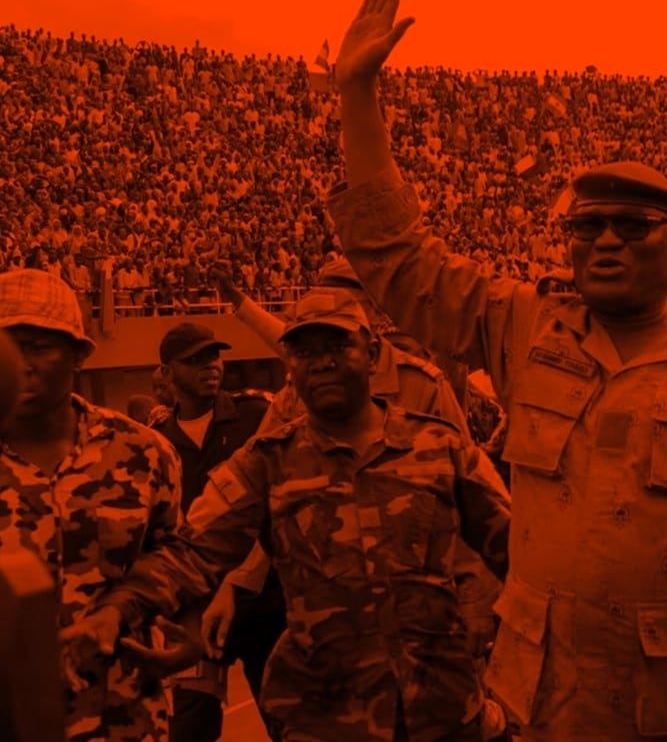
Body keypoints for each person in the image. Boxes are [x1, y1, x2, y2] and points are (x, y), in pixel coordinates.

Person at [326, 0, 667, 740]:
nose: (606, 241)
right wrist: (357, 96)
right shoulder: (526, 327)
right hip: (548, 708)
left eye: (632, 227)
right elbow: (401, 261)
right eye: (586, 226)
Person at [61, 288, 513, 741]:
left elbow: (517, 548)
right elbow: (192, 552)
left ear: (373, 353)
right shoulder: (266, 462)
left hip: (442, 711)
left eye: (338, 346)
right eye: (303, 352)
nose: (321, 363)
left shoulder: (440, 447)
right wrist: (118, 610)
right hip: (326, 717)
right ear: (289, 365)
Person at [211, 257, 505, 668]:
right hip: (330, 627)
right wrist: (236, 582)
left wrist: (474, 601)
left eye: (336, 336)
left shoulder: (421, 385)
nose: (323, 361)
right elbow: (256, 497)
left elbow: (471, 506)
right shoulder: (296, 396)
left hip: (423, 624)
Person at [0, 269, 183, 742]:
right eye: (7, 348)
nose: (20, 365)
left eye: (37, 347)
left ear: (79, 355)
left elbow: (174, 553)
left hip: (123, 715)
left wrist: (122, 611)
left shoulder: (143, 453)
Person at [148, 322, 281, 742]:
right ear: (167, 372)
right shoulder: (156, 442)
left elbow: (278, 504)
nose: (211, 366)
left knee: (288, 723)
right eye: (195, 360)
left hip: (264, 601)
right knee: (189, 726)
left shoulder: (257, 415)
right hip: (197, 608)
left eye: (214, 356)